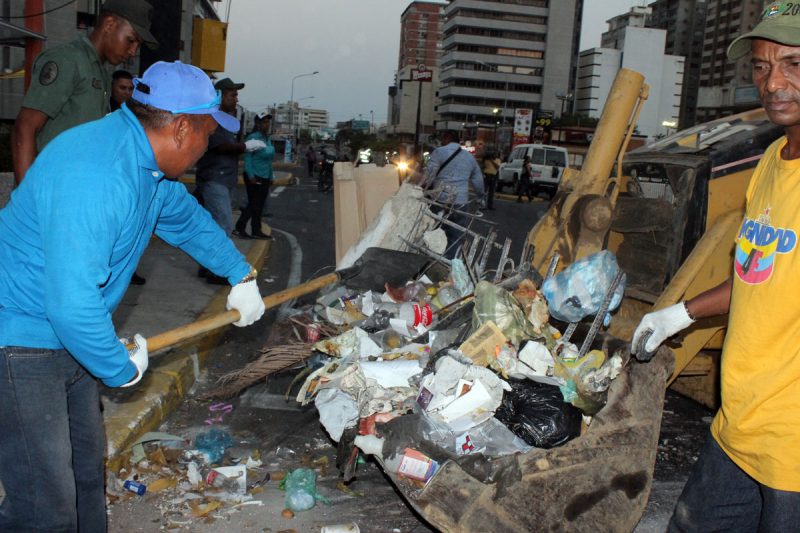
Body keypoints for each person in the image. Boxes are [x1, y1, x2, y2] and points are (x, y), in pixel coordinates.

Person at [0, 60, 266, 532]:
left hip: (68, 338)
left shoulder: (147, 168)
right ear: (182, 128)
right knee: (44, 505)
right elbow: (71, 300)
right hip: (20, 343)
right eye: (208, 133)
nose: (209, 147)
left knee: (84, 475)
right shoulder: (98, 173)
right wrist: (116, 366)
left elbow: (185, 220)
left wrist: (239, 274)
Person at [631, 9, 800, 531]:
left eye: (793, 62)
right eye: (761, 67)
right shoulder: (772, 161)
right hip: (740, 421)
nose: (773, 83)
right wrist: (679, 315)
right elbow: (759, 275)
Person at [11, 0, 157, 184]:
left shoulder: (100, 72)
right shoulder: (68, 60)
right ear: (109, 24)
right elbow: (24, 129)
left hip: (73, 191)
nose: (133, 51)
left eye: (138, 45)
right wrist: (27, 199)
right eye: (131, 40)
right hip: (48, 192)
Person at [194, 77, 265, 282]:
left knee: (212, 226)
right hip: (214, 179)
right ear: (220, 96)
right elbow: (219, 146)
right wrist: (245, 147)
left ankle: (206, 266)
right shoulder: (213, 119)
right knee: (224, 224)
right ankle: (217, 271)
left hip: (223, 178)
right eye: (232, 94)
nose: (236, 98)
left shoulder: (227, 119)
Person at [111, 69, 147, 286]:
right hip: (109, 179)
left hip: (131, 178)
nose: (126, 92)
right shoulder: (103, 110)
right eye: (122, 88)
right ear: (113, 87)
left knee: (131, 230)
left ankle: (128, 271)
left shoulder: (137, 114)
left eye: (130, 88)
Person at [424, 130, 484, 259]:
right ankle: (449, 264)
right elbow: (478, 180)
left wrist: (423, 189)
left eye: (443, 138)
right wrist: (480, 196)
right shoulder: (469, 157)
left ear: (448, 137)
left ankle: (430, 261)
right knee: (456, 236)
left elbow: (429, 176)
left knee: (433, 232)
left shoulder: (439, 152)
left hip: (439, 200)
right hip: (460, 202)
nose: (442, 141)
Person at [235, 112, 275, 239]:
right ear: (257, 124)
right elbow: (248, 158)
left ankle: (256, 229)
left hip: (265, 175)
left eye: (268, 122)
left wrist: (271, 176)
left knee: (260, 205)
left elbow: (269, 160)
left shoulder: (267, 139)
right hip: (254, 175)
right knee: (254, 204)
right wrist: (251, 175)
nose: (266, 125)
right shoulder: (253, 138)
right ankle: (240, 227)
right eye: (264, 122)